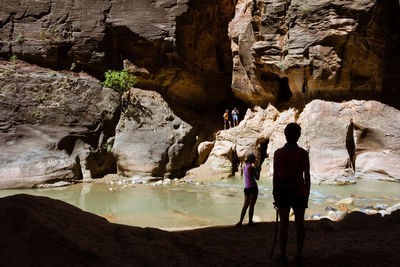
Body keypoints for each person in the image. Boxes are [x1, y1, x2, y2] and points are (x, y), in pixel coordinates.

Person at [273, 123, 310, 266]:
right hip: (300, 192)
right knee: (300, 224)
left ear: (285, 134)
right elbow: (307, 176)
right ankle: (299, 254)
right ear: (299, 135)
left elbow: (276, 176)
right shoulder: (303, 154)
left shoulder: (278, 153)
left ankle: (283, 255)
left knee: (284, 225)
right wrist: (307, 193)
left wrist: (275, 193)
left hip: (283, 192)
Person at [236, 154, 261, 227]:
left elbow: (250, 176)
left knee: (245, 206)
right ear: (252, 159)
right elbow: (257, 178)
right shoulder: (251, 167)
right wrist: (259, 170)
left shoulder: (245, 166)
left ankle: (240, 222)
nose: (255, 160)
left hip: (246, 188)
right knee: (251, 206)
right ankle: (250, 222)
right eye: (254, 159)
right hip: (253, 188)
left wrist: (256, 169)